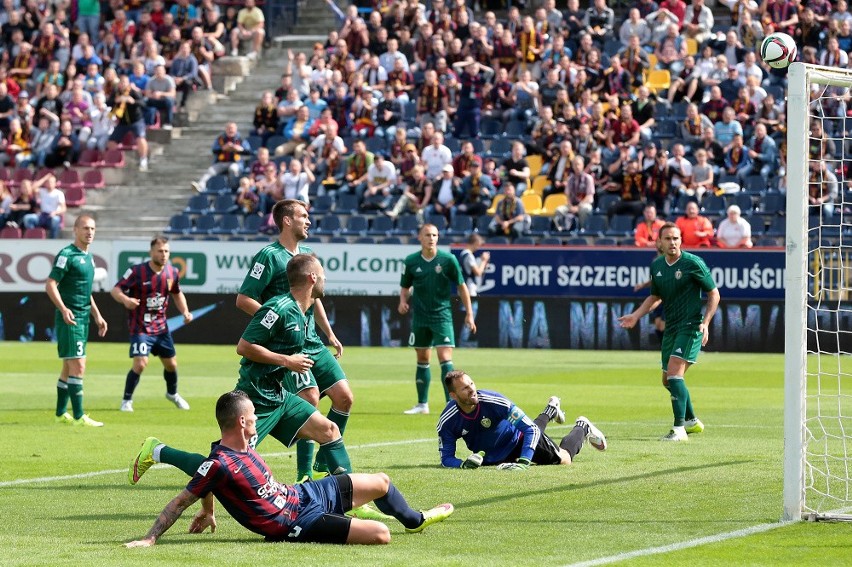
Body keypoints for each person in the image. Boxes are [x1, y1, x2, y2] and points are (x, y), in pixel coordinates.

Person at [125, 390, 454, 547]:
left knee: (382, 482)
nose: (257, 418)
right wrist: (150, 538)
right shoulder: (220, 462)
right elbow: (181, 500)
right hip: (296, 522)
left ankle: (415, 521)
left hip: (302, 494)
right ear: (242, 421)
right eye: (253, 414)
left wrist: (209, 512)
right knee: (381, 535)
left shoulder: (238, 449)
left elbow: (204, 489)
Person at [236, 200, 353, 483]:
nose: (308, 221)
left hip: (312, 339)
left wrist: (329, 333)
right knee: (310, 398)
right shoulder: (269, 256)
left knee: (344, 397)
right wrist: (278, 321)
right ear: (287, 221)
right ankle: (304, 474)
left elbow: (314, 298)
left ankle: (324, 461)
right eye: (303, 216)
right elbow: (243, 299)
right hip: (290, 343)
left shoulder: (308, 256)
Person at [618, 223, 720, 441]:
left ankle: (678, 429)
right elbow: (655, 297)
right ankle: (691, 421)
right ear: (659, 243)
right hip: (671, 328)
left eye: (676, 238)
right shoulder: (657, 266)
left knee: (674, 373)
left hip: (691, 326)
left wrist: (706, 322)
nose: (673, 243)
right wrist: (636, 316)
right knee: (667, 380)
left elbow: (714, 293)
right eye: (668, 239)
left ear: (681, 240)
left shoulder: (693, 263)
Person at [438, 371, 607, 469]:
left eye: (472, 384)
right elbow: (446, 458)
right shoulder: (448, 420)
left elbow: (530, 430)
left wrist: (525, 460)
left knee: (564, 460)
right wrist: (462, 464)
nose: (472, 390)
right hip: (492, 457)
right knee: (533, 427)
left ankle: (582, 426)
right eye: (465, 388)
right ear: (453, 395)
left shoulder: (494, 401)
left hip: (518, 439)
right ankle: (551, 410)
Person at [111, 236, 193, 413]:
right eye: (160, 251)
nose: (163, 254)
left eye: (166, 251)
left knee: (171, 365)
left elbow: (177, 293)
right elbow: (115, 290)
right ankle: (126, 400)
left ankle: (172, 394)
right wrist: (125, 300)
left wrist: (185, 311)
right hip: (140, 327)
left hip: (161, 328)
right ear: (151, 252)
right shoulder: (136, 271)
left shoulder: (172, 272)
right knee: (140, 363)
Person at [399, 224, 476, 414]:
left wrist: (469, 313)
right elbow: (405, 286)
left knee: (445, 358)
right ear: (420, 238)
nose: (431, 238)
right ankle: (422, 404)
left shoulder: (448, 260)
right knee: (422, 358)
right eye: (427, 235)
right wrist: (402, 301)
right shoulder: (411, 261)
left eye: (434, 234)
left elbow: (461, 286)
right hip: (420, 317)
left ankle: (451, 405)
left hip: (442, 316)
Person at [45, 215, 108, 427]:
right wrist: (63, 309)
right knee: (79, 365)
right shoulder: (67, 255)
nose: (89, 232)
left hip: (83, 317)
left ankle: (60, 413)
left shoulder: (89, 258)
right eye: (85, 228)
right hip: (70, 318)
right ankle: (80, 416)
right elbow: (51, 284)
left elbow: (86, 291)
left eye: (92, 228)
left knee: (68, 367)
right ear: (75, 230)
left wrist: (97, 314)